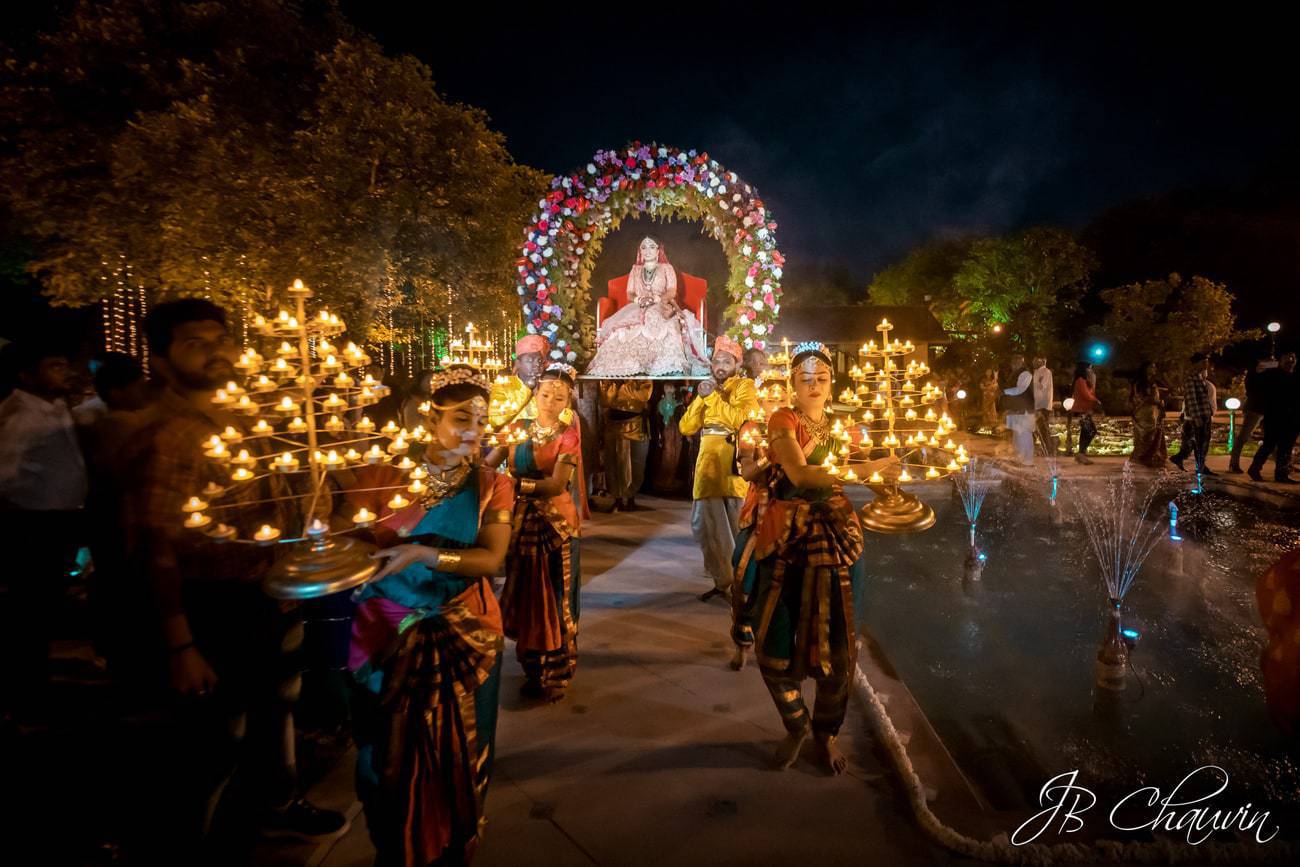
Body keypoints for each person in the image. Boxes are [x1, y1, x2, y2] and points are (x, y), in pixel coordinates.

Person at [132, 299, 344, 853]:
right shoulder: (174, 435)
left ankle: (276, 805)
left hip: (267, 593)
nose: (214, 353)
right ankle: (189, 843)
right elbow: (159, 546)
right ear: (160, 361)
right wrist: (181, 643)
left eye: (219, 339)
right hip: (211, 607)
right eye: (192, 344)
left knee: (276, 707)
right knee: (213, 739)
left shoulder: (250, 416)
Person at [348, 365, 513, 866]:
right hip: (385, 629)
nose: (475, 431)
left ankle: (453, 846)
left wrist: (423, 555)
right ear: (429, 418)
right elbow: (351, 544)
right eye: (463, 418)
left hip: (467, 628)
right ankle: (395, 848)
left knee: (465, 749)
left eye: (482, 421)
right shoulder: (382, 474)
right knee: (385, 757)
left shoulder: (491, 485)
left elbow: (491, 560)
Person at [733, 342, 894, 774]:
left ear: (832, 382)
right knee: (775, 642)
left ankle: (826, 734)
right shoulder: (781, 420)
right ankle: (795, 726)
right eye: (805, 378)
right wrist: (866, 471)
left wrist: (894, 483)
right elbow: (802, 474)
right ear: (792, 383)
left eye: (821, 378)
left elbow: (866, 466)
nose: (814, 385)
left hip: (839, 538)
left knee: (839, 649)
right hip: (789, 538)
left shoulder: (842, 424)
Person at [0, 341, 87, 720]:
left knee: (44, 607)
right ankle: (25, 695)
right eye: (54, 365)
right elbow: (4, 474)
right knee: (30, 609)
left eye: (65, 364)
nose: (65, 372)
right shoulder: (20, 416)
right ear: (26, 375)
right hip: (34, 524)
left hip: (58, 520)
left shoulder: (54, 407)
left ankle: (34, 684)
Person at [492, 363, 584, 702]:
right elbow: (489, 463)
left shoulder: (567, 435)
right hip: (522, 523)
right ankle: (532, 668)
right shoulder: (516, 428)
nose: (550, 402)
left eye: (559, 398)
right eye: (546, 394)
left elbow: (557, 484)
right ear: (536, 394)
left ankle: (557, 672)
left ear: (567, 403)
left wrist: (514, 484)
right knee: (528, 595)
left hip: (556, 525)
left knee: (556, 596)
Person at [678, 336, 758, 603]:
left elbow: (740, 420)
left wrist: (711, 397)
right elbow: (686, 427)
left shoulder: (745, 387)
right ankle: (722, 582)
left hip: (731, 466)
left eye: (726, 361)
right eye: (716, 361)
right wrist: (702, 398)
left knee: (736, 527)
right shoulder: (707, 388)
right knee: (704, 527)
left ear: (738, 363)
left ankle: (742, 583)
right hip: (707, 467)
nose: (720, 366)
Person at [584, 236, 710, 377]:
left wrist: (658, 298)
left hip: (661, 305)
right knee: (623, 329)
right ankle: (630, 365)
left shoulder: (666, 268)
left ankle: (661, 365)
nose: (647, 250)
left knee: (659, 322)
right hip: (638, 306)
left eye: (651, 247)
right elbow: (629, 293)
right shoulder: (636, 270)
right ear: (640, 252)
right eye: (644, 247)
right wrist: (638, 299)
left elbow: (671, 291)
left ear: (658, 250)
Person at [599, 378, 653, 511]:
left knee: (635, 464)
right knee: (613, 464)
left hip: (635, 426)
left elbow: (644, 396)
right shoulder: (609, 376)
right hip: (613, 426)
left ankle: (630, 497)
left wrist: (621, 390)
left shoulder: (642, 376)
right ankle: (617, 498)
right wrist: (624, 390)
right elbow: (605, 400)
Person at [1247, 351, 1297, 484]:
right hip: (1275, 417)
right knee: (1269, 444)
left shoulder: (1293, 377)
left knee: (1285, 448)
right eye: (1287, 358)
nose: (1290, 361)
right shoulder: (1272, 375)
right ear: (1281, 361)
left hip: (1291, 419)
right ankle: (1255, 468)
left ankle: (1281, 474)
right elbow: (1255, 386)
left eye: (1292, 358)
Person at [1171, 353, 1216, 475]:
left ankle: (1200, 466)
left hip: (1205, 415)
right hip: (1199, 416)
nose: (1206, 364)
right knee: (1199, 443)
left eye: (1207, 361)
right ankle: (1200, 467)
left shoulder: (1200, 378)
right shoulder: (1191, 379)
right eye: (1203, 361)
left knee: (1203, 443)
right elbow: (1191, 400)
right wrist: (1197, 418)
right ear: (1197, 364)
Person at [490, 335, 546, 428]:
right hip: (510, 439)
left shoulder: (546, 385)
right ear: (518, 364)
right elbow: (495, 420)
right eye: (530, 360)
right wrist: (526, 389)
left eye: (539, 361)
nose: (537, 365)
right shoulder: (503, 384)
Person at [1229, 358, 1269, 474]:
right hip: (1254, 409)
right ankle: (1234, 463)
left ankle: (1283, 464)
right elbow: (1251, 390)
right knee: (1243, 437)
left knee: (1272, 438)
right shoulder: (1253, 377)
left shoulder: (1268, 375)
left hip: (1267, 409)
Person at [1129, 362, 1169, 467]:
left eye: (1155, 366)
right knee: (1146, 435)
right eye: (1152, 366)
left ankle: (1153, 457)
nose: (1154, 368)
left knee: (1155, 434)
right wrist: (1158, 402)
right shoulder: (1140, 383)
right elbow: (1144, 397)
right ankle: (1144, 458)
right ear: (1146, 369)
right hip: (1145, 413)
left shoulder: (1152, 382)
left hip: (1153, 413)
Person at [1001, 354, 1036, 465]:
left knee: (1024, 435)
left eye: (1016, 362)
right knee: (1017, 435)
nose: (1014, 365)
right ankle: (1019, 457)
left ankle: (1027, 461)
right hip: (1017, 409)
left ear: (1022, 363)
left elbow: (1020, 389)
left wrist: (1004, 392)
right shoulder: (1015, 374)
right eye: (1013, 362)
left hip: (1024, 409)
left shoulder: (1025, 374)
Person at [1069, 361, 1102, 465]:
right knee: (1090, 431)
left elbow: (1090, 393)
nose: (1091, 370)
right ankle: (1081, 454)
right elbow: (1086, 395)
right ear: (1084, 369)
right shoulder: (1080, 380)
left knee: (1087, 432)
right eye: (1089, 368)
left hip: (1086, 410)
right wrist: (1096, 400)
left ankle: (1081, 454)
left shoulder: (1085, 380)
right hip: (1082, 410)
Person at [1031, 357, 1054, 455]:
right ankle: (1045, 448)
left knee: (1042, 428)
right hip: (1038, 404)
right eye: (1034, 361)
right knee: (1038, 426)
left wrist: (1036, 381)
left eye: (1037, 361)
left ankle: (1048, 449)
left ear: (1041, 362)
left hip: (1042, 404)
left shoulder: (1046, 372)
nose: (1034, 362)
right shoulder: (1038, 372)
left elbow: (1042, 386)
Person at [978, 368, 1001, 434]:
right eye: (987, 371)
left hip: (992, 397)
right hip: (986, 396)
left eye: (990, 372)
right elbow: (981, 387)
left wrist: (994, 386)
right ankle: (986, 424)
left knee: (992, 409)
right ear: (985, 372)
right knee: (986, 409)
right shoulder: (983, 380)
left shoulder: (993, 380)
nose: (989, 373)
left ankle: (992, 424)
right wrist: (988, 387)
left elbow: (996, 387)